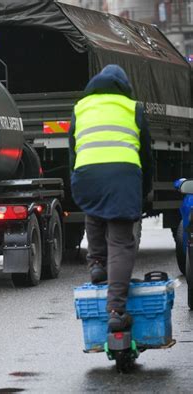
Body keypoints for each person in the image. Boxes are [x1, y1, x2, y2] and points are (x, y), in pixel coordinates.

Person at [69, 65, 152, 332]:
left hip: (87, 175)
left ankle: (96, 263)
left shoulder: (80, 107)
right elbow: (147, 156)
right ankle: (116, 310)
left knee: (94, 210)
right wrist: (144, 190)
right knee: (120, 242)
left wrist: (77, 181)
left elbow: (72, 151)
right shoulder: (133, 108)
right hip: (123, 178)